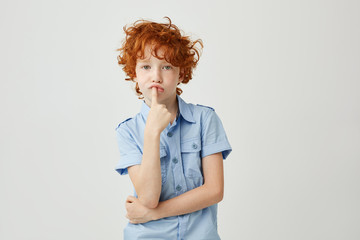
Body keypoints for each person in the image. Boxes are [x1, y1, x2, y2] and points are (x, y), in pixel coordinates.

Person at [114, 16, 232, 240]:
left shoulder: (205, 119)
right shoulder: (127, 132)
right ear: (134, 73)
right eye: (146, 66)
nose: (156, 76)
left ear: (182, 73)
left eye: (166, 66)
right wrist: (152, 133)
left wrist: (152, 213)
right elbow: (148, 197)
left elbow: (215, 190)